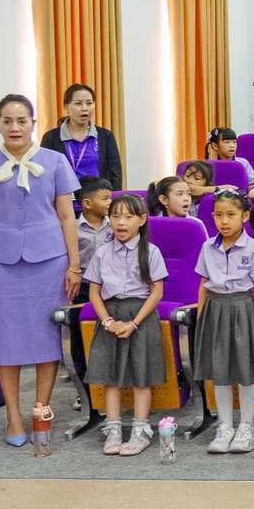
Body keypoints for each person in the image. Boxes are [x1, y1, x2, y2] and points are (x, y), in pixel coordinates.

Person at [0, 94, 82, 449]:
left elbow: (66, 216)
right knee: (6, 341)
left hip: (49, 261)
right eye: (7, 121)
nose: (15, 127)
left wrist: (75, 264)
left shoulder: (55, 161)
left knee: (47, 339)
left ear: (33, 122)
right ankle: (13, 414)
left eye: (22, 120)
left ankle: (40, 408)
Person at [84, 194, 169, 458]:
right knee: (112, 378)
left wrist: (133, 323)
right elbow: (94, 292)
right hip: (111, 315)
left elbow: (156, 292)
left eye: (128, 216)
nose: (121, 222)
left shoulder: (151, 252)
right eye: (116, 216)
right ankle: (113, 429)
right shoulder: (101, 253)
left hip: (140, 317)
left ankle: (141, 430)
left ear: (142, 220)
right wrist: (107, 321)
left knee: (141, 377)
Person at [195, 189, 254, 454]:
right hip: (215, 310)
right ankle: (224, 425)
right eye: (218, 215)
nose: (224, 221)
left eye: (231, 215)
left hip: (242, 309)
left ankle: (247, 426)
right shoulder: (207, 246)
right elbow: (203, 285)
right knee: (220, 373)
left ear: (245, 215)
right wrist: (202, 318)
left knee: (245, 372)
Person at [39, 83, 123, 189]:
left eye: (89, 103)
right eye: (78, 104)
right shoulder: (51, 138)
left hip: (99, 201)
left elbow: (116, 174)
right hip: (64, 200)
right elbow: (45, 174)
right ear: (66, 106)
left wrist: (113, 200)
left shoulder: (106, 136)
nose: (84, 108)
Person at [74, 178, 112, 270]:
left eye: (111, 198)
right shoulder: (73, 228)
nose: (110, 202)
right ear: (87, 203)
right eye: (105, 199)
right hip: (83, 279)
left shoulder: (113, 225)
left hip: (109, 279)